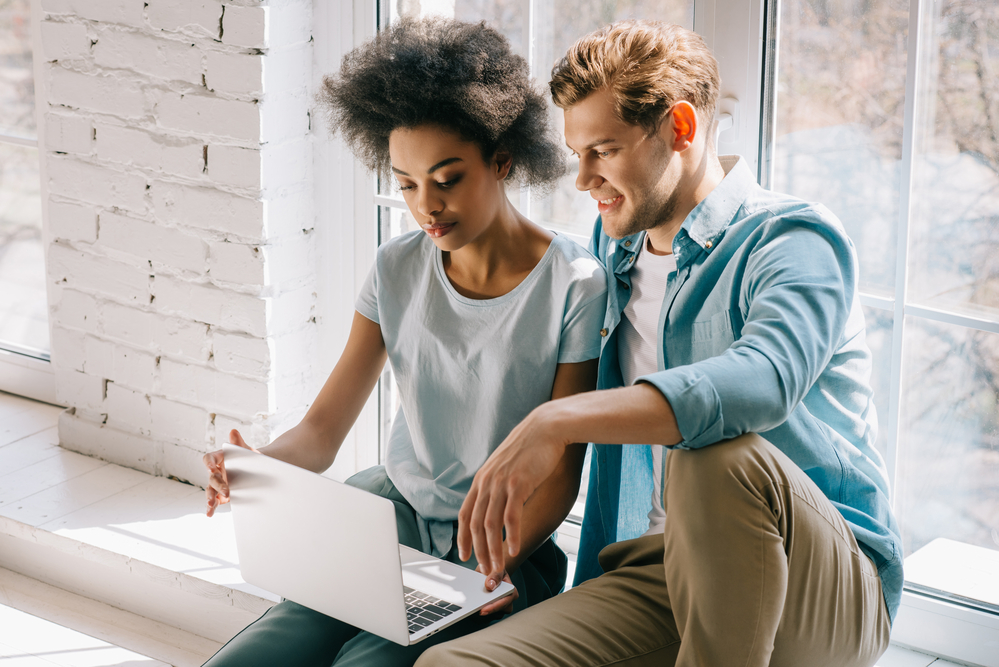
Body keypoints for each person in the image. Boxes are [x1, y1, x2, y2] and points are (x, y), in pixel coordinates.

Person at [417, 19, 902, 667]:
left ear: (678, 128)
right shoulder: (611, 248)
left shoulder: (792, 241)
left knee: (712, 454)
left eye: (605, 150)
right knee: (449, 664)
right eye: (576, 151)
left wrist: (556, 419)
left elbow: (761, 381)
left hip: (822, 582)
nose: (582, 177)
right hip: (664, 566)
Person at [199, 17, 607, 667]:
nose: (426, 206)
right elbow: (322, 430)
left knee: (364, 664)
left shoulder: (575, 284)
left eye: (447, 178)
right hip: (383, 519)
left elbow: (561, 473)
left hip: (498, 551)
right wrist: (256, 468)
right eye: (408, 182)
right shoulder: (396, 267)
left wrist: (491, 565)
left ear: (501, 160)